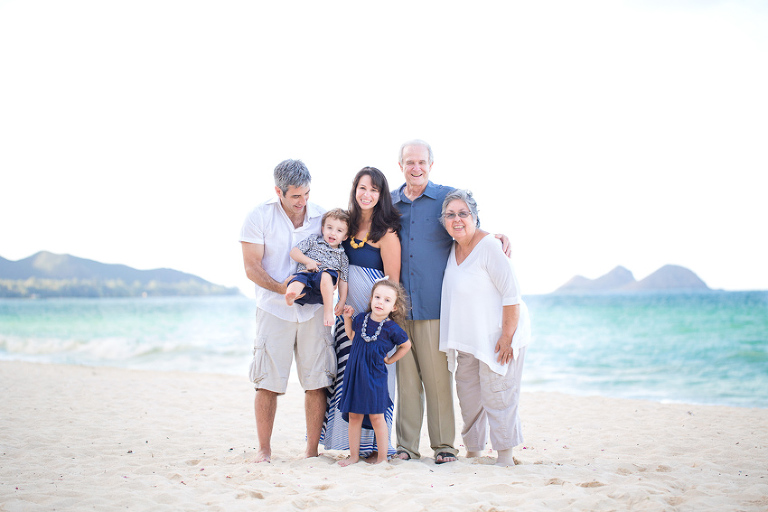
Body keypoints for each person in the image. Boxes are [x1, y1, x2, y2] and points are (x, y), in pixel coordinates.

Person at [392, 139, 510, 464]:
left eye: (421, 162)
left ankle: (444, 446)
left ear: (431, 164)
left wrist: (495, 236)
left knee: (437, 380)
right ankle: (406, 447)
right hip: (399, 308)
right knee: (406, 381)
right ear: (400, 165)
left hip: (434, 307)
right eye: (409, 162)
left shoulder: (445, 197)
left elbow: (467, 224)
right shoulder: (390, 204)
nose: (415, 168)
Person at [239, 158, 335, 463]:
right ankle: (264, 450)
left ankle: (311, 451)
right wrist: (286, 289)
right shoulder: (259, 216)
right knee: (267, 381)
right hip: (273, 310)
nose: (302, 202)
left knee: (317, 380)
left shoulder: (321, 216)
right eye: (295, 196)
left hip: (313, 313)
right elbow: (252, 267)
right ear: (278, 191)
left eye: (306, 194)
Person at [438, 189, 531, 467]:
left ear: (475, 217)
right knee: (468, 397)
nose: (457, 219)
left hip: (498, 335)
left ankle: (504, 455)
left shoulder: (490, 246)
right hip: (468, 339)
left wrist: (507, 336)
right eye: (450, 215)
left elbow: (511, 294)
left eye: (463, 213)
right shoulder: (451, 247)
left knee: (498, 393)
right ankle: (474, 450)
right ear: (443, 221)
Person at [320, 167, 402, 458]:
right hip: (346, 317)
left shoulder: (387, 233)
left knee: (375, 379)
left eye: (374, 189)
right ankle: (347, 445)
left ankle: (377, 448)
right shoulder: (345, 225)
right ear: (355, 190)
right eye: (362, 188)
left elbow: (391, 282)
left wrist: (377, 317)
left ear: (382, 195)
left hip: (374, 321)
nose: (367, 194)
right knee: (346, 377)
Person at [338, 280, 412, 466]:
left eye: (387, 300)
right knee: (354, 415)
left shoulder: (392, 329)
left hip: (375, 376)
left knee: (377, 416)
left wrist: (390, 359)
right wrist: (348, 318)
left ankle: (382, 459)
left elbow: (406, 346)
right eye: (377, 297)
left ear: (394, 307)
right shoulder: (361, 319)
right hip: (355, 374)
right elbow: (352, 337)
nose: (380, 302)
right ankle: (354, 457)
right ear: (371, 299)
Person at [285, 208, 350, 327]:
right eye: (329, 228)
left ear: (345, 236)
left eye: (339, 230)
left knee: (326, 275)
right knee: (298, 279)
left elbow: (343, 281)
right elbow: (294, 252)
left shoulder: (343, 257)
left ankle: (328, 313)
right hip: (306, 278)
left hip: (322, 290)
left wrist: (341, 301)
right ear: (323, 229)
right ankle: (291, 294)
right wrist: (308, 261)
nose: (333, 233)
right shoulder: (313, 240)